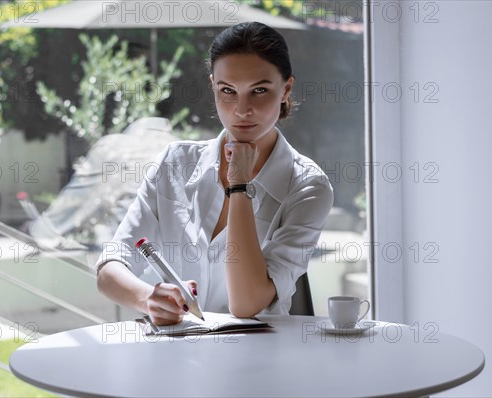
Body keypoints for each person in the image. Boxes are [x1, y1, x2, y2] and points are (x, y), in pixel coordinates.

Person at [96, 22, 333, 326]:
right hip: (174, 354)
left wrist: (240, 186)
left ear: (285, 89)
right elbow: (110, 267)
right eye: (227, 91)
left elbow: (247, 304)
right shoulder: (175, 162)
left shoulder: (308, 187)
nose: (241, 109)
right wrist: (149, 298)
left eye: (259, 90)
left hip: (256, 361)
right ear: (213, 87)